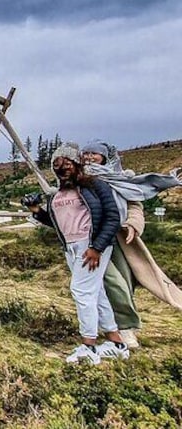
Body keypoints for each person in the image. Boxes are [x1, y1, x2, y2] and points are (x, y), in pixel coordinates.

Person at [24, 143, 129, 364]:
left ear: (76, 164)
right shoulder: (58, 194)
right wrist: (36, 211)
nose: (62, 168)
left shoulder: (95, 186)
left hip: (89, 246)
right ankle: (116, 342)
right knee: (95, 292)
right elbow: (58, 223)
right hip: (71, 247)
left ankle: (88, 347)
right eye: (57, 164)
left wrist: (96, 247)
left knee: (81, 291)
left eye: (67, 163)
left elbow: (112, 217)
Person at [81, 140, 182, 348]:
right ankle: (125, 328)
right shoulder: (79, 179)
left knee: (125, 282)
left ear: (105, 157)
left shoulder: (122, 179)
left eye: (94, 154)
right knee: (113, 282)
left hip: (120, 238)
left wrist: (132, 225)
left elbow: (134, 206)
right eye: (86, 153)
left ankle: (119, 325)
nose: (89, 158)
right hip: (93, 240)